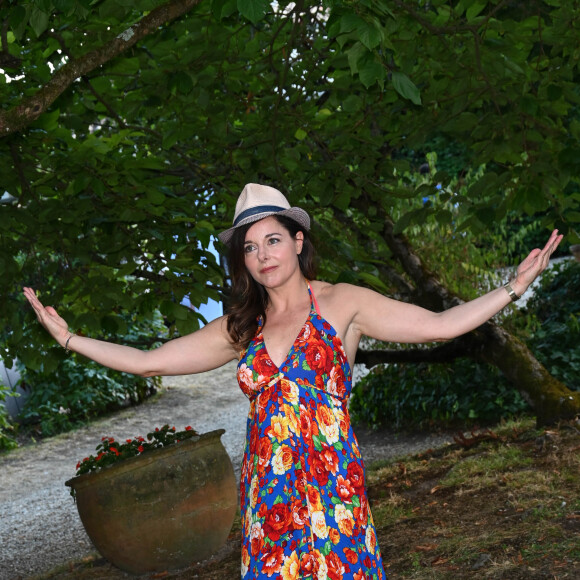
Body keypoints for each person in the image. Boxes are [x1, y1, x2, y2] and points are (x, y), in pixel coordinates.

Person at [23, 183, 563, 580]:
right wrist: (71, 340)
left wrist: (513, 289)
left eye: (273, 240)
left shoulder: (342, 303)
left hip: (334, 495)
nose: (263, 256)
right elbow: (150, 361)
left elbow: (440, 326)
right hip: (269, 500)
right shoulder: (241, 328)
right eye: (251, 248)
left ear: (298, 241)